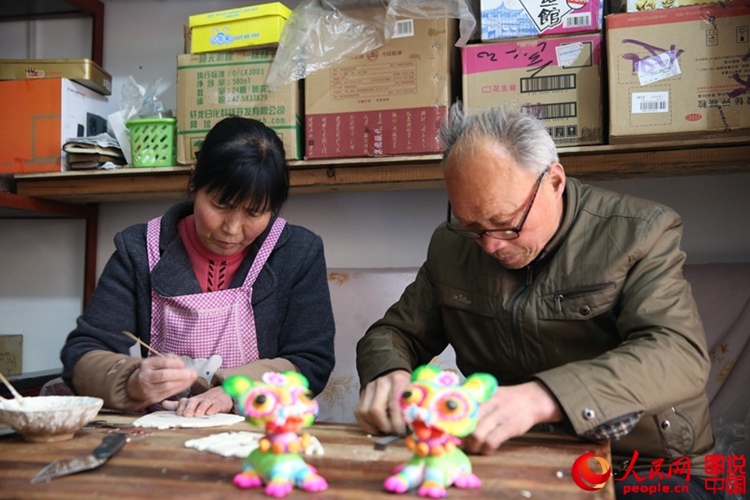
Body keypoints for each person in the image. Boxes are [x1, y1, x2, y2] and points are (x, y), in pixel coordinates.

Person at [355, 103, 718, 499]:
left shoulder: (641, 233)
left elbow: (677, 352)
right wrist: (387, 373)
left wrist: (544, 397)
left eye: (506, 224)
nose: (491, 245)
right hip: (513, 455)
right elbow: (395, 333)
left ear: (555, 181)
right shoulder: (450, 246)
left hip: (643, 465)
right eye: (472, 226)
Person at [61, 116, 335, 417]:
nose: (232, 229)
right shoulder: (140, 249)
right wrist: (133, 379)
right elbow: (81, 354)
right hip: (160, 439)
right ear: (195, 182)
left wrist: (235, 390)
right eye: (220, 205)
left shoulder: (296, 253)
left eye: (254, 212)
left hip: (263, 436)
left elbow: (311, 362)